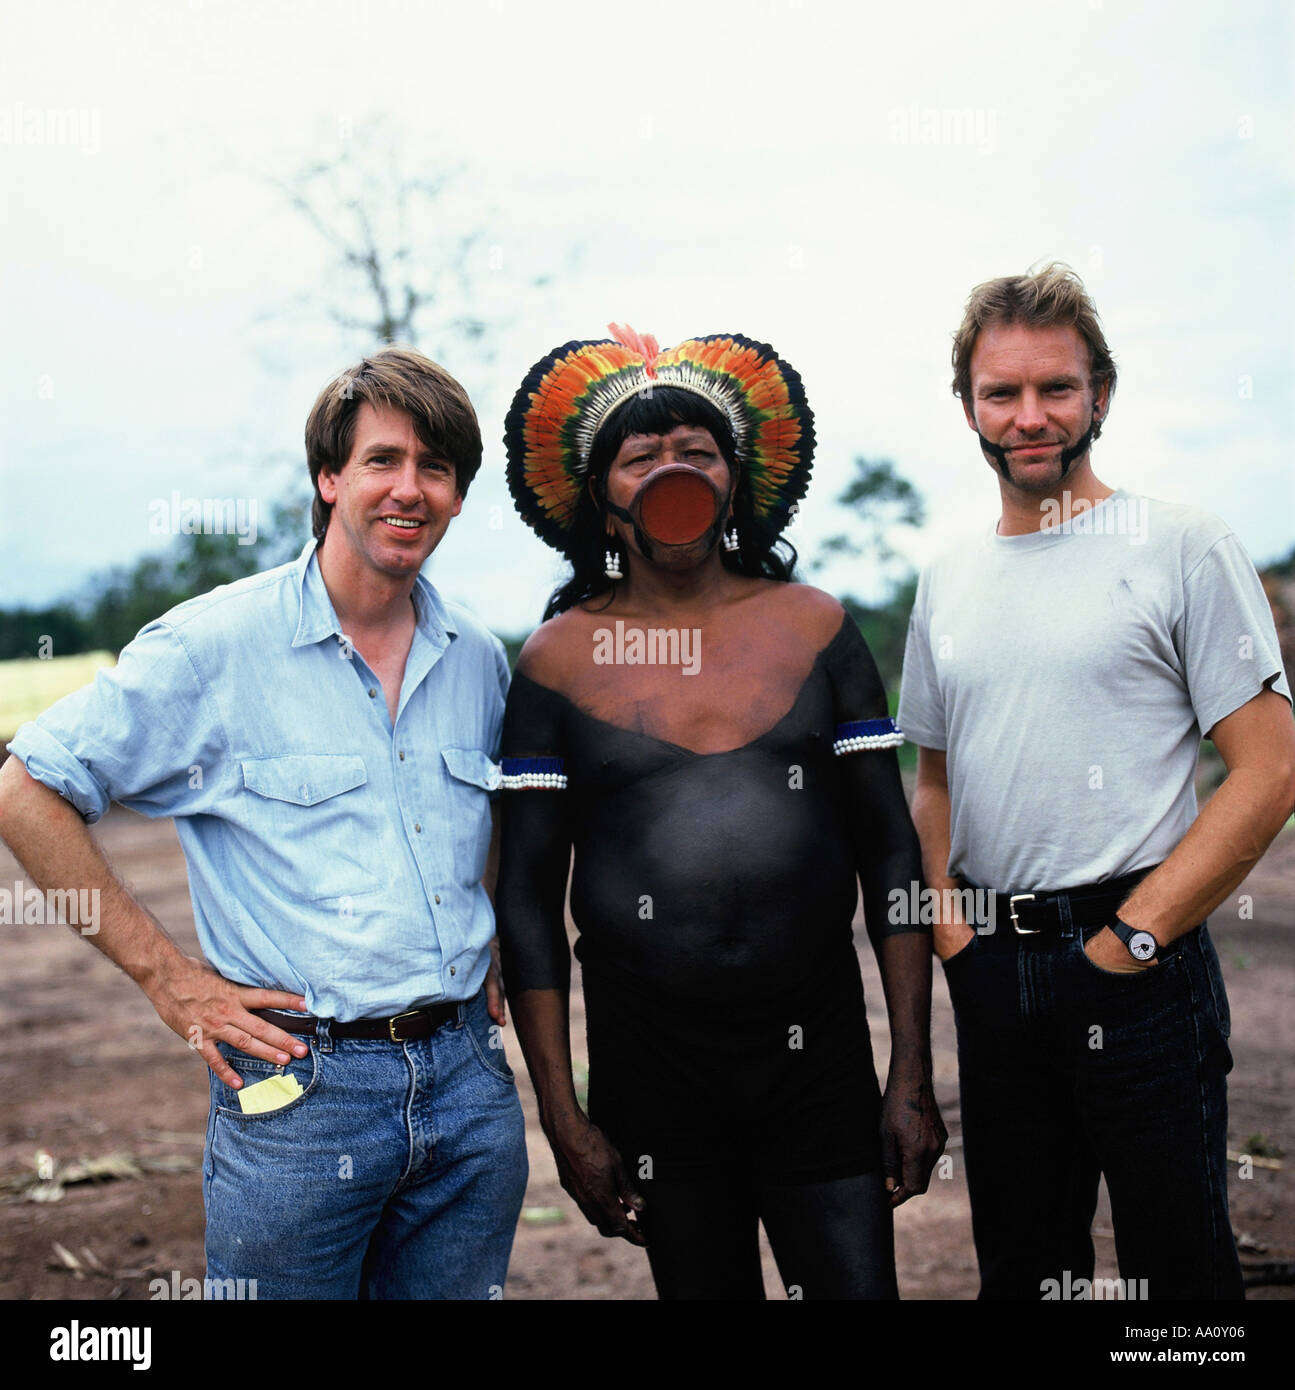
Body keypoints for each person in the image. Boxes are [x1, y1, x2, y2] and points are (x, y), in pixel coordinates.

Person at [0, 346, 528, 1299]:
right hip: (299, 1095)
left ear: (457, 497)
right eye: (382, 460)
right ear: (328, 478)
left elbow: (474, 824)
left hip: (467, 1085)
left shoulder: (478, 659)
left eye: (436, 468)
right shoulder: (214, 648)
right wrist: (173, 983)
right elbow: (26, 790)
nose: (409, 489)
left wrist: (475, 934)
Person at [496, 324, 945, 1300]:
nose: (671, 469)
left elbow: (891, 857)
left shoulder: (815, 627)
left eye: (696, 452)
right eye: (642, 455)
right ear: (601, 501)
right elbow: (525, 901)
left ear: (735, 484)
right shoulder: (555, 661)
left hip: (813, 1048)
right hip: (648, 1063)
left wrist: (907, 1069)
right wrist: (563, 1118)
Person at [899, 263, 1295, 1301]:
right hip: (994, 967)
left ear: (1100, 395)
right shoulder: (946, 577)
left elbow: (1269, 770)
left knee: (1181, 1279)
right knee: (1025, 1276)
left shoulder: (1182, 546)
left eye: (1055, 389)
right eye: (1000, 393)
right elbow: (931, 776)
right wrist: (950, 932)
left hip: (1140, 962)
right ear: (968, 407)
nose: (1028, 417)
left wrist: (1129, 940)